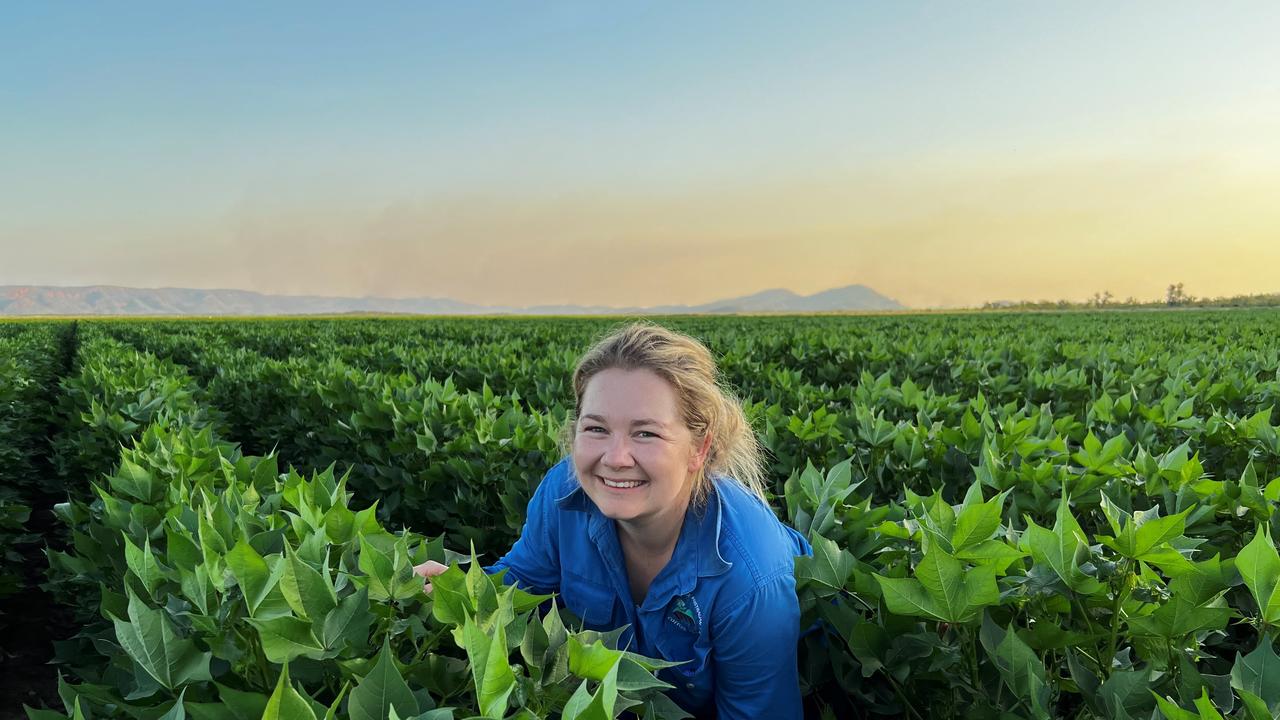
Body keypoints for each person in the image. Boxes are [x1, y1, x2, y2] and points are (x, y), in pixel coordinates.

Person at [415, 322, 812, 719]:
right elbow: (521, 582)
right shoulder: (563, 494)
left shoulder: (750, 573)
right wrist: (457, 587)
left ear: (699, 448)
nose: (616, 458)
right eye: (596, 428)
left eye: (646, 434)